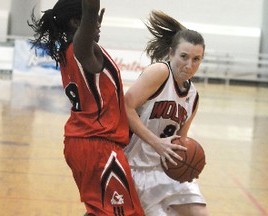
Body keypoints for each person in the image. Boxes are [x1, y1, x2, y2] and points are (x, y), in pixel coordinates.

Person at [28, 0, 144, 215]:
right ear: (75, 23)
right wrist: (90, 18)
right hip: (97, 145)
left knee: (101, 210)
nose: (98, 25)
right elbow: (90, 7)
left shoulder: (73, 51)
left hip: (85, 143)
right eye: (91, 22)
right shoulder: (82, 49)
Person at [124, 10, 210, 216]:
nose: (189, 65)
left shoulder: (193, 96)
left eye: (197, 59)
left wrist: (188, 161)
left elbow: (181, 140)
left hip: (166, 171)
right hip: (137, 168)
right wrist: (156, 142)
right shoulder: (160, 73)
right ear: (171, 53)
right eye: (184, 56)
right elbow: (125, 106)